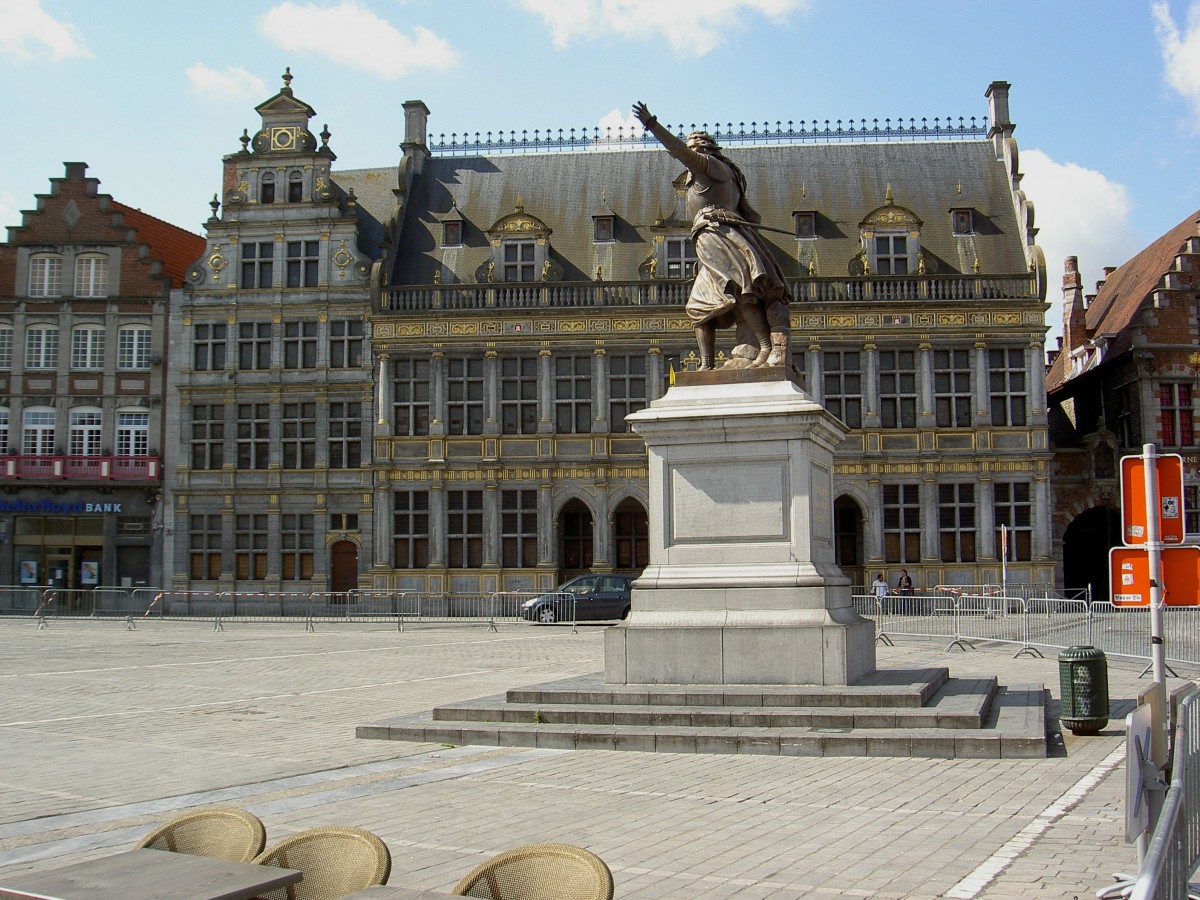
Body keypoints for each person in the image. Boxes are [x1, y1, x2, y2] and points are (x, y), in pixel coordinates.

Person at [633, 101, 792, 370]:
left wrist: (652, 125)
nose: (689, 154)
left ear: (702, 150)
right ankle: (706, 366)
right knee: (698, 308)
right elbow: (751, 217)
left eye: (693, 148)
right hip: (711, 239)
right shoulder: (728, 176)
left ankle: (765, 346)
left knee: (739, 291)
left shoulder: (712, 167)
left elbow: (679, 151)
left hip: (715, 233)